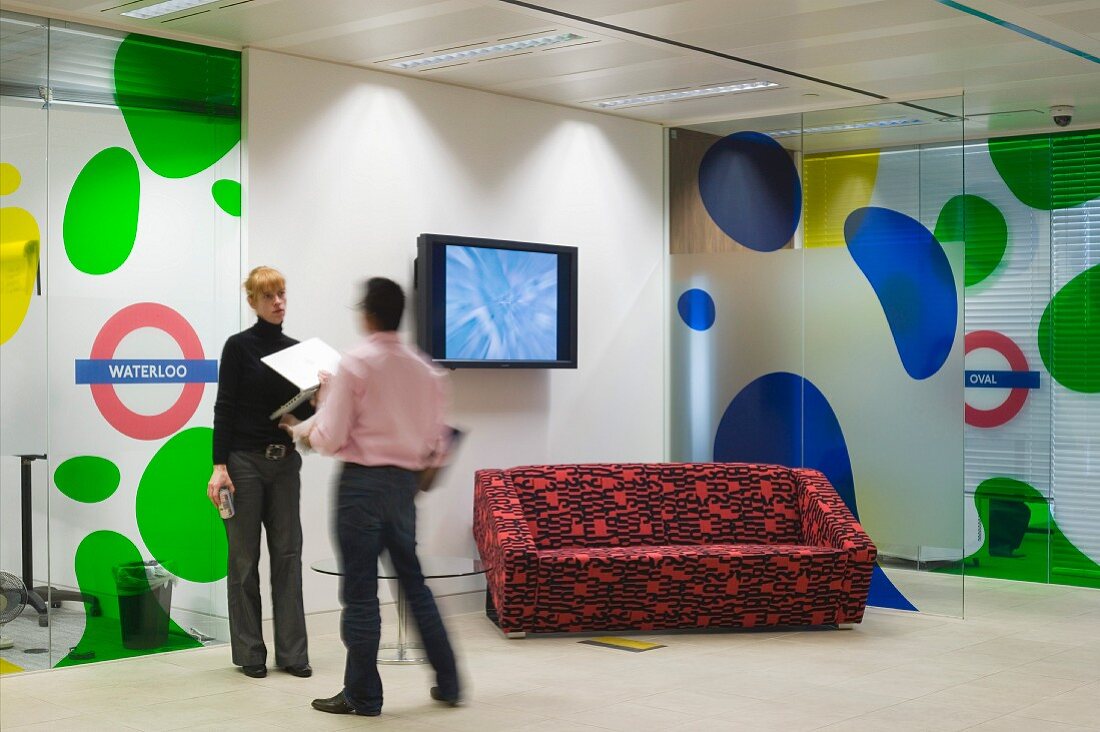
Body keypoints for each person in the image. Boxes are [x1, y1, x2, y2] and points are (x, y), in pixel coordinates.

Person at [285, 277, 460, 717]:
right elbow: (438, 442)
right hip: (403, 486)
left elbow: (330, 437)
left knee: (360, 593)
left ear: (367, 314)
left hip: (360, 487)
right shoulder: (425, 369)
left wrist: (303, 423)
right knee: (413, 584)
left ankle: (364, 696)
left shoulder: (356, 364)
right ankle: (450, 681)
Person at [207, 266, 312, 680]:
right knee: (244, 560)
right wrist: (219, 468)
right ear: (252, 301)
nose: (278, 302)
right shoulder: (238, 348)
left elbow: (304, 415)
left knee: (288, 556)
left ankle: (293, 653)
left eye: (282, 294)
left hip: (285, 462)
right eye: (268, 296)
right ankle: (251, 653)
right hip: (244, 463)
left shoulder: (298, 350)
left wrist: (323, 390)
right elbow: (224, 408)